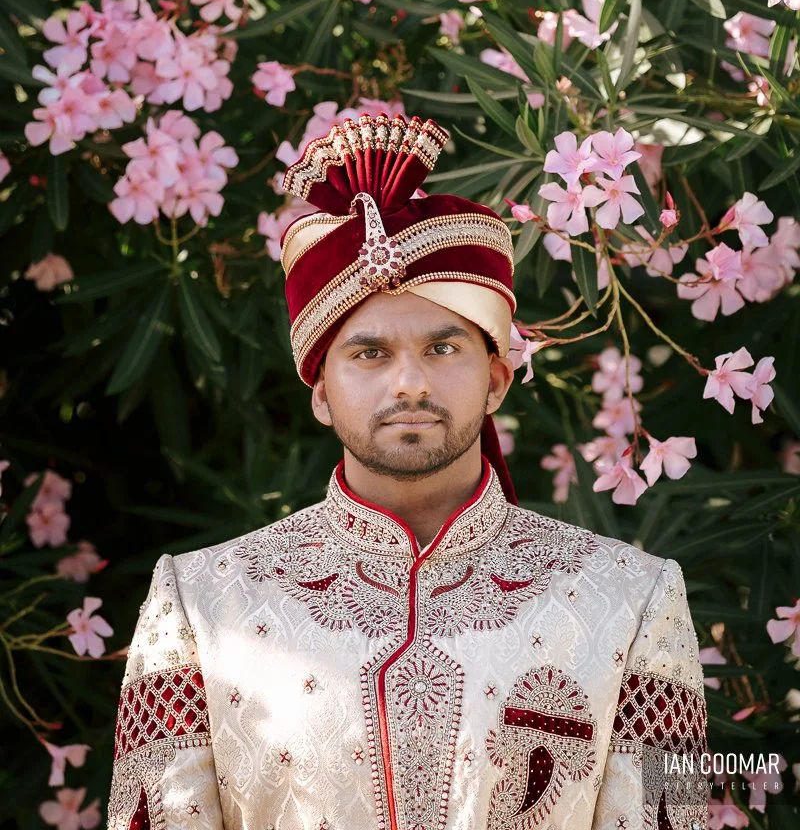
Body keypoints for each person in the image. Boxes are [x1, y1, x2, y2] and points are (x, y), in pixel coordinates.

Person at [107, 112, 709, 830]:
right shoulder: (201, 606)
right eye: (368, 353)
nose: (408, 384)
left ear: (495, 378)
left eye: (443, 348)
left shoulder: (633, 601)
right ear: (321, 391)